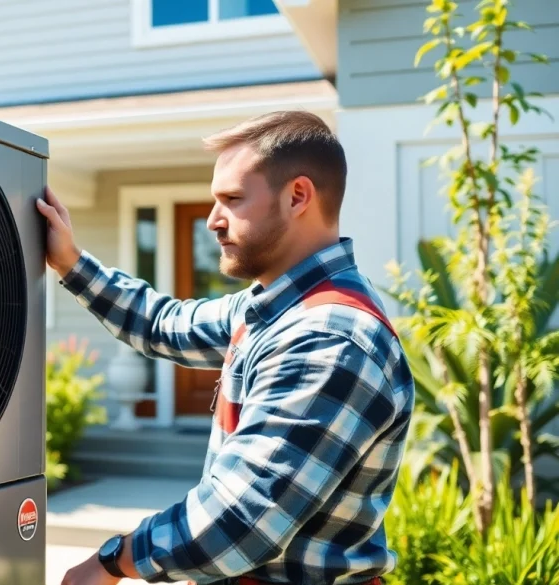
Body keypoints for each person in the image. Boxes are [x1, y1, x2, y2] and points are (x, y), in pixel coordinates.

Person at [36, 110, 415, 585]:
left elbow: (239, 522)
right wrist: (71, 263)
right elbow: (163, 324)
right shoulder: (273, 309)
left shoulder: (328, 338)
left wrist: (112, 561)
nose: (212, 221)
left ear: (298, 196)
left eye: (232, 199)